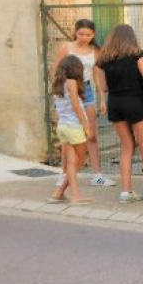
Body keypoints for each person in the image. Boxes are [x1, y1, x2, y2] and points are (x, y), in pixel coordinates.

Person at [96, 24, 143, 202]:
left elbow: (104, 87)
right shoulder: (137, 55)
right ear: (131, 38)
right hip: (135, 104)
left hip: (115, 104)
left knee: (126, 147)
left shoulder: (102, 60)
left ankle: (126, 192)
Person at [51, 19, 114, 187]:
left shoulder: (95, 51)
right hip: (66, 88)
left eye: (88, 34)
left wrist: (101, 98)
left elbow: (96, 75)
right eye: (81, 34)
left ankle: (97, 175)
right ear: (75, 32)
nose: (84, 37)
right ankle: (64, 174)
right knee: (67, 138)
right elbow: (55, 73)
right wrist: (57, 102)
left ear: (93, 35)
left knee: (91, 133)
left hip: (86, 90)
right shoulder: (67, 48)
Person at [47, 55, 93, 205]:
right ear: (76, 69)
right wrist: (86, 126)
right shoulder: (72, 82)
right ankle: (69, 194)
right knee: (79, 162)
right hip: (74, 128)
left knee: (71, 164)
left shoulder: (57, 84)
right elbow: (76, 105)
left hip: (63, 127)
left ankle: (61, 194)